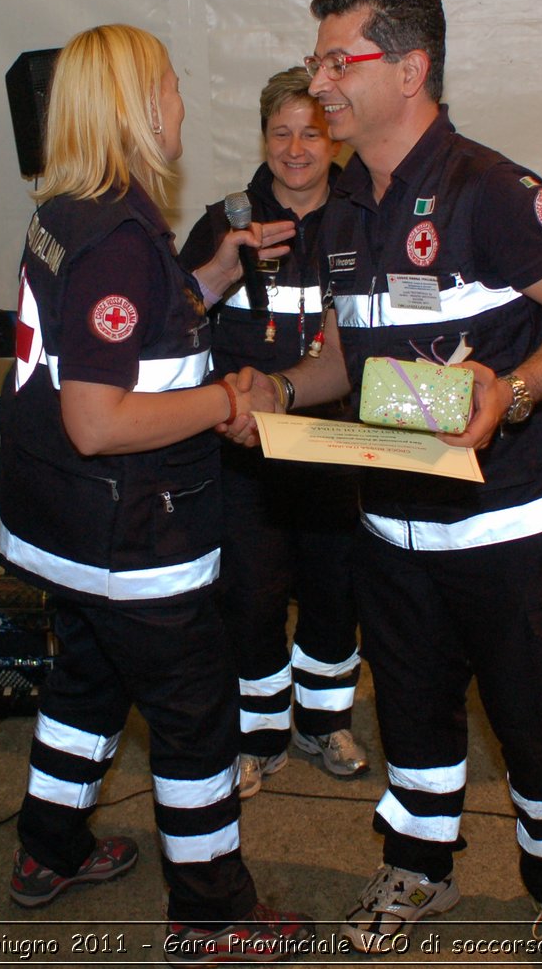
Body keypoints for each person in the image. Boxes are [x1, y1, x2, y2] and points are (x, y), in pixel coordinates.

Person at [227, 0, 542, 962]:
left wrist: (515, 392)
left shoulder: (494, 192)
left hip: (507, 528)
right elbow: (343, 355)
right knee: (411, 712)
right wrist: (276, 392)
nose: (318, 82)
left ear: (409, 68)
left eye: (335, 59)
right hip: (389, 524)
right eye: (316, 58)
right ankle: (419, 868)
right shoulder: (346, 201)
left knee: (534, 720)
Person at [0, 24, 313, 963]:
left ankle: (47, 852)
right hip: (127, 535)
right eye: (170, 88)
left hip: (60, 524)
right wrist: (224, 398)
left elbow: (128, 337)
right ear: (138, 107)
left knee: (87, 680)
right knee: (194, 714)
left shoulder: (70, 210)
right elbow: (98, 417)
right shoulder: (119, 239)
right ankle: (213, 912)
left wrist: (209, 277)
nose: (179, 104)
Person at [178, 68, 369, 798]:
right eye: (280, 132)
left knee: (335, 587)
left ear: (332, 139)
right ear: (264, 137)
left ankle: (326, 721)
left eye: (311, 133)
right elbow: (177, 319)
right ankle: (257, 734)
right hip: (243, 450)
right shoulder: (224, 220)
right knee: (250, 594)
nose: (295, 149)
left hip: (333, 443)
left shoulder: (363, 218)